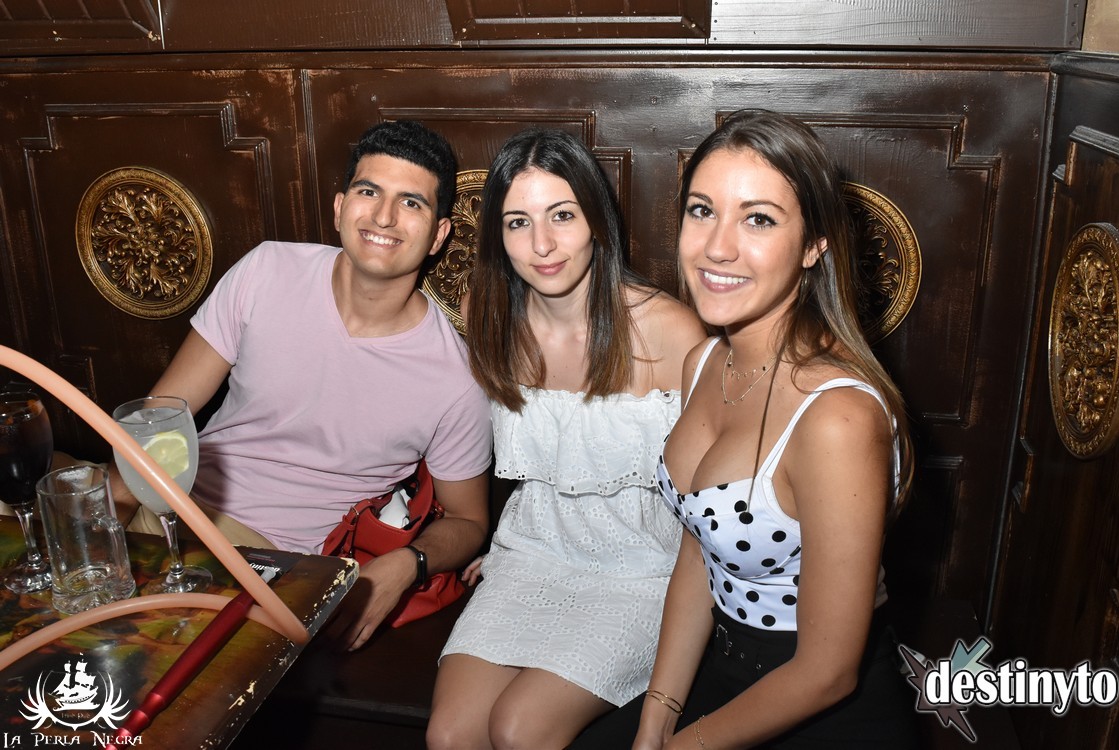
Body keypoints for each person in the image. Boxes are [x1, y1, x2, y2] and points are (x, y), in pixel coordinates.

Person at [571, 109, 919, 748]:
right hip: (720, 668)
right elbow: (699, 546)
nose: (717, 246)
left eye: (758, 219)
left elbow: (827, 673)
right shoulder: (705, 361)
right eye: (702, 211)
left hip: (816, 709)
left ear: (814, 245)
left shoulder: (838, 418)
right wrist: (656, 717)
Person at [115, 120, 493, 651]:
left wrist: (408, 563)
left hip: (277, 566)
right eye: (369, 192)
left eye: (411, 203)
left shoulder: (455, 377)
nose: (384, 216)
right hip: (170, 514)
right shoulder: (267, 270)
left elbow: (470, 519)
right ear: (339, 208)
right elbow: (161, 411)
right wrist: (109, 511)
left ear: (438, 235)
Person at [426, 129, 706, 750]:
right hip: (532, 554)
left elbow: (713, 492)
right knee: (449, 736)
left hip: (644, 571)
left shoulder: (669, 332)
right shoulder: (487, 315)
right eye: (518, 223)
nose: (542, 245)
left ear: (597, 221)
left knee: (519, 729)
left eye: (562, 215)